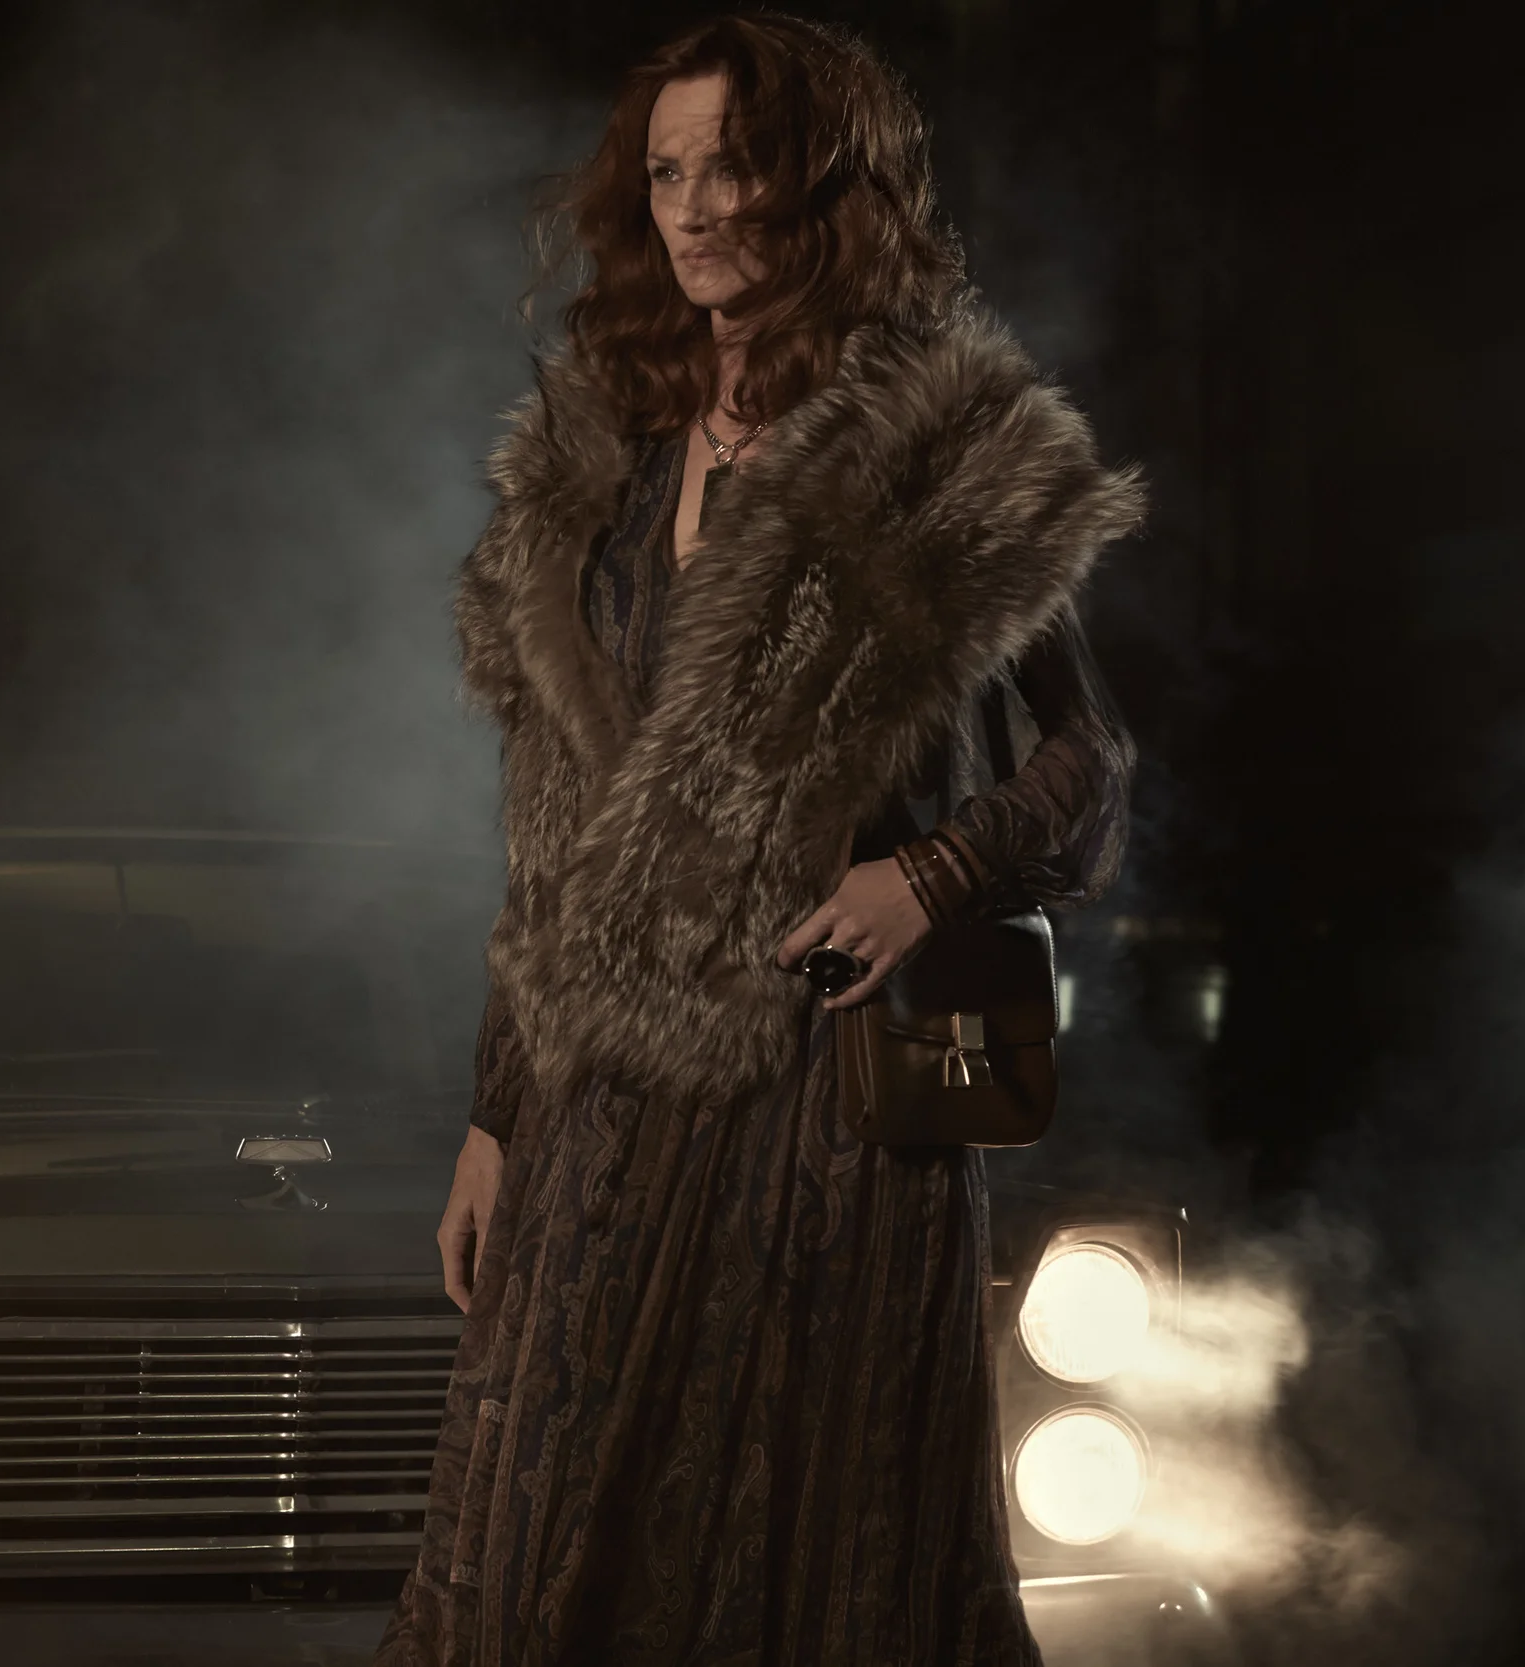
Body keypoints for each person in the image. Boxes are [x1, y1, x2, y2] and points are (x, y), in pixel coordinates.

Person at [377, 15, 1140, 1667]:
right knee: (531, 1563)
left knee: (815, 1559)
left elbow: (1089, 763)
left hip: (830, 1109)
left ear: (824, 181)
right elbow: (552, 839)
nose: (696, 207)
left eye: (733, 166)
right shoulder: (600, 467)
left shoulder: (938, 448)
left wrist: (927, 875)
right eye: (667, 173)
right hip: (598, 1103)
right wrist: (496, 1115)